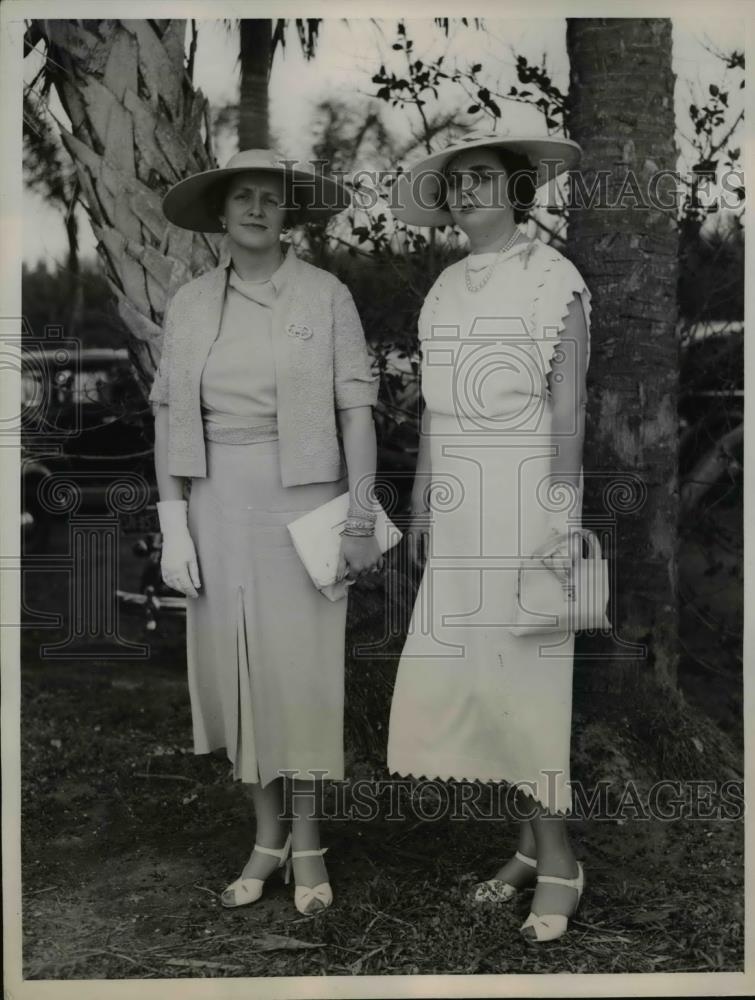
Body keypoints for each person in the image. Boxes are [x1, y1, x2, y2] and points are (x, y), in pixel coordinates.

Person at [149, 148, 382, 915]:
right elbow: (167, 418)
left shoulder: (325, 295)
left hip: (305, 502)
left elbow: (356, 411)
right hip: (216, 500)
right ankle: (265, 835)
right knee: (236, 672)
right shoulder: (188, 305)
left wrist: (356, 513)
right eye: (240, 197)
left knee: (299, 672)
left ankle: (308, 840)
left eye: (269, 198)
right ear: (220, 214)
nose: (255, 208)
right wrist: (173, 523)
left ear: (288, 213)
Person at [387, 132, 592, 942]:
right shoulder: (441, 290)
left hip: (526, 498)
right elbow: (436, 409)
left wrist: (561, 516)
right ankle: (522, 843)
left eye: (483, 179)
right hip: (461, 498)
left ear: (515, 190)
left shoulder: (555, 279)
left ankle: (560, 861)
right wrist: (423, 502)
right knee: (474, 674)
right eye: (456, 182)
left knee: (527, 680)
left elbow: (569, 408)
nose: (467, 191)